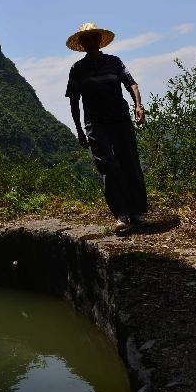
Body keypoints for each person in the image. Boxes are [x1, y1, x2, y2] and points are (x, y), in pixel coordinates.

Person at [65, 21, 148, 233]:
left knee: (128, 161)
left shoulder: (114, 62)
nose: (91, 42)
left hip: (120, 119)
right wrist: (79, 131)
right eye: (86, 39)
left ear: (100, 41)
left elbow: (132, 84)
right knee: (107, 166)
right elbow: (74, 101)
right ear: (82, 44)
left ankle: (135, 213)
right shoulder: (77, 69)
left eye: (94, 38)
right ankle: (120, 214)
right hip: (95, 124)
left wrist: (138, 106)